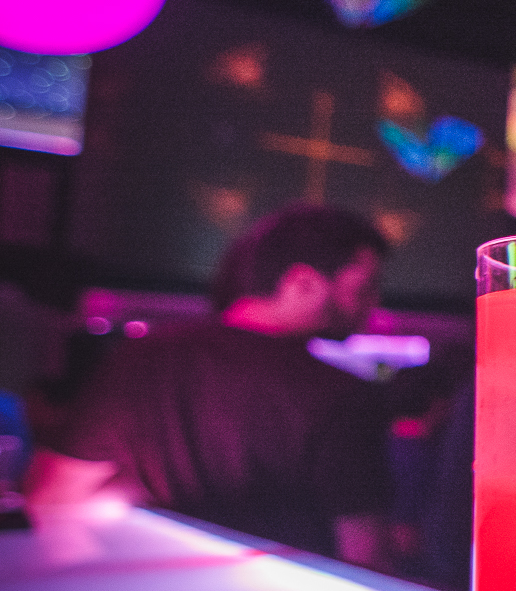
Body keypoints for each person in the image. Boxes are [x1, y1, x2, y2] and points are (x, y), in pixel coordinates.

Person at [26, 204, 395, 566]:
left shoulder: (141, 358)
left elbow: (51, 498)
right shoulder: (343, 395)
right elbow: (365, 559)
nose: (374, 303)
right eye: (364, 288)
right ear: (302, 283)